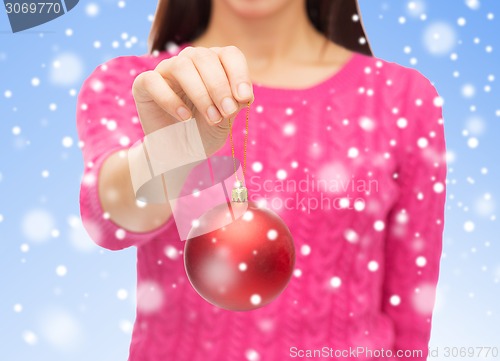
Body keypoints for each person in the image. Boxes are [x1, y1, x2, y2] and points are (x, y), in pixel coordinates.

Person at [76, 0, 447, 360]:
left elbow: (411, 311)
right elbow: (110, 224)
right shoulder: (142, 85)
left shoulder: (403, 98)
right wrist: (169, 149)